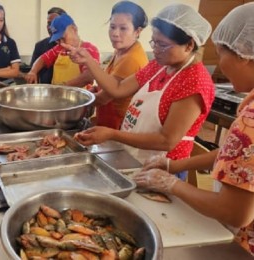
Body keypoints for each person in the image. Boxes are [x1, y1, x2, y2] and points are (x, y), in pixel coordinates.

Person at [134, 3, 254, 256]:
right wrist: (173, 167)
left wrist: (171, 184)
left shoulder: (251, 119)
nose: (219, 63)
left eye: (221, 53)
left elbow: (235, 212)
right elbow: (235, 155)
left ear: (244, 56)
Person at [69, 4, 215, 181]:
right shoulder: (159, 65)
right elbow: (118, 89)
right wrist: (88, 60)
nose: (155, 50)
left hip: (164, 169)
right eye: (154, 42)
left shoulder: (194, 82)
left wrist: (112, 134)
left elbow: (166, 140)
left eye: (162, 45)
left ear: (189, 45)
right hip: (134, 155)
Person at [93, 1, 149, 129]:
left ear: (137, 31)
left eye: (123, 28)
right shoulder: (121, 50)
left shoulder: (132, 59)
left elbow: (103, 99)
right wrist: (95, 90)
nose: (115, 33)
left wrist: (75, 101)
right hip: (108, 122)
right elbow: (109, 82)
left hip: (120, 126)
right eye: (112, 27)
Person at [26, 13, 100, 87]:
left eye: (63, 38)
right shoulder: (59, 49)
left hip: (80, 97)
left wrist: (62, 88)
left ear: (74, 30)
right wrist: (33, 71)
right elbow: (43, 59)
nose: (61, 43)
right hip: (58, 95)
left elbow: (89, 76)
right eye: (58, 40)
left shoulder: (90, 49)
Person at [29, 7, 66, 84]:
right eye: (49, 23)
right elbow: (33, 74)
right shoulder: (40, 46)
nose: (51, 27)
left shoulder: (75, 48)